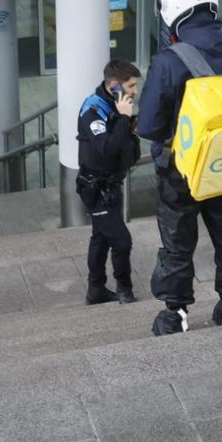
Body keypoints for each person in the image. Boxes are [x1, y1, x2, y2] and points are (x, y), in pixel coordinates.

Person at [137, 0, 222, 336]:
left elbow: (149, 126)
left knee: (177, 243)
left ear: (172, 10)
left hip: (181, 170)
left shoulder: (169, 61)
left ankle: (175, 315)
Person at [77, 59, 142, 305]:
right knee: (122, 241)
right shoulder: (93, 110)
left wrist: (129, 127)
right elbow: (106, 147)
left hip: (112, 184)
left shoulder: (117, 105)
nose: (135, 91)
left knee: (101, 238)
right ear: (114, 85)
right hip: (96, 187)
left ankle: (95, 289)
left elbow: (125, 149)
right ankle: (124, 288)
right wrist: (124, 120)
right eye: (131, 85)